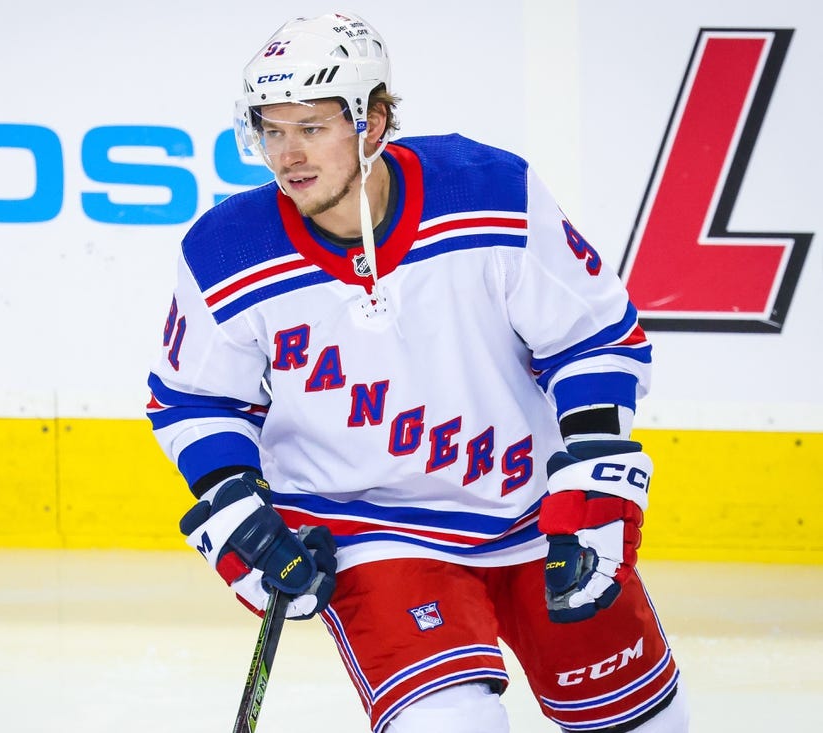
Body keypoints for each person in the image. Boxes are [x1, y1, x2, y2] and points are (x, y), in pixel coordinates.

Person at [147, 11, 688, 733]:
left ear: (371, 121)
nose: (288, 155)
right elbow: (194, 399)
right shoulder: (226, 251)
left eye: (311, 128)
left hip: (535, 510)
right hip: (369, 529)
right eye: (272, 131)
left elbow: (590, 334)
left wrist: (592, 460)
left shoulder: (489, 192)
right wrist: (236, 502)